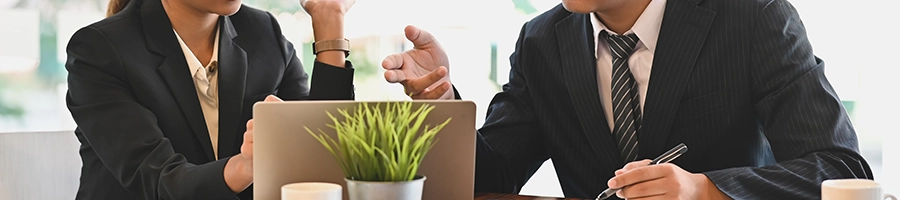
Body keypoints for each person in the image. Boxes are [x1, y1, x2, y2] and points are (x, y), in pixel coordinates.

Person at [382, 0, 873, 199]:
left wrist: (706, 190)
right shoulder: (541, 41)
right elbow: (493, 177)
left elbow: (843, 169)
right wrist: (443, 99)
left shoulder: (750, 15)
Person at [64, 0, 355, 198]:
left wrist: (330, 22)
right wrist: (246, 165)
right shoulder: (99, 50)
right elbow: (158, 181)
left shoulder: (263, 31)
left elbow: (324, 155)